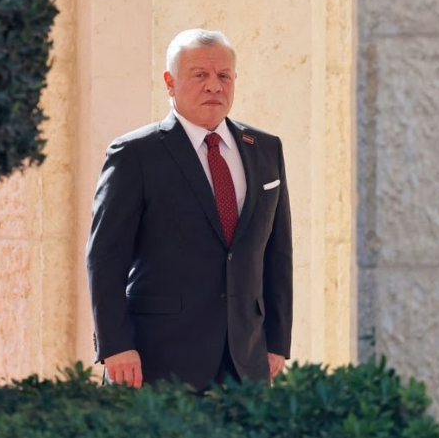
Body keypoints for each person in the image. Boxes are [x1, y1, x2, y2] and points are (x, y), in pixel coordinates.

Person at [86, 29, 292, 392]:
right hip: (155, 358)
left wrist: (277, 342)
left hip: (245, 360)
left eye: (224, 75)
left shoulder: (265, 148)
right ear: (170, 82)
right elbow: (105, 258)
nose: (214, 85)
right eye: (200, 75)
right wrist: (115, 345)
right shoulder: (135, 153)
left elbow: (278, 252)